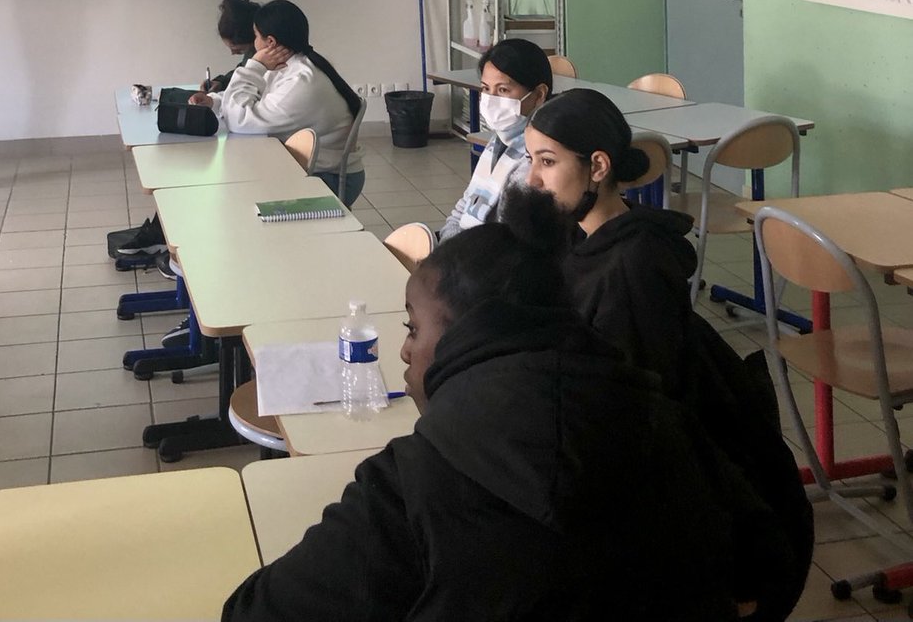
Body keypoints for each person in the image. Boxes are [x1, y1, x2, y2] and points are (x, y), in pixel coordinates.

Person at [222, 192, 747, 621]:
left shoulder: (412, 480)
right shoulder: (661, 416)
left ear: (469, 330)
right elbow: (760, 568)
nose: (405, 349)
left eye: (413, 327)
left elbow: (256, 612)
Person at [510, 88, 813, 622]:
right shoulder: (583, 238)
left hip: (689, 512)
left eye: (548, 162)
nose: (533, 179)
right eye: (532, 160)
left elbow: (642, 430)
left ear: (598, 166)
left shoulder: (630, 272)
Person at [191, 0, 364, 205]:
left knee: (236, 197)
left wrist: (253, 65)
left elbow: (240, 120)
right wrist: (214, 101)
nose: (254, 44)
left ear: (270, 42)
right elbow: (257, 98)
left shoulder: (301, 83)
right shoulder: (292, 64)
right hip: (311, 168)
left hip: (329, 178)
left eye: (255, 36)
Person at [438, 38, 552, 242]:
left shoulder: (536, 160)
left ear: (538, 95)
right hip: (467, 251)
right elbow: (462, 209)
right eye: (485, 89)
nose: (490, 100)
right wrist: (449, 248)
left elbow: (507, 242)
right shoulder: (499, 141)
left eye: (503, 90)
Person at [200, 0, 259, 94]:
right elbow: (242, 69)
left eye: (239, 50)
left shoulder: (269, 60)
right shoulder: (252, 51)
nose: (233, 53)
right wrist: (221, 82)